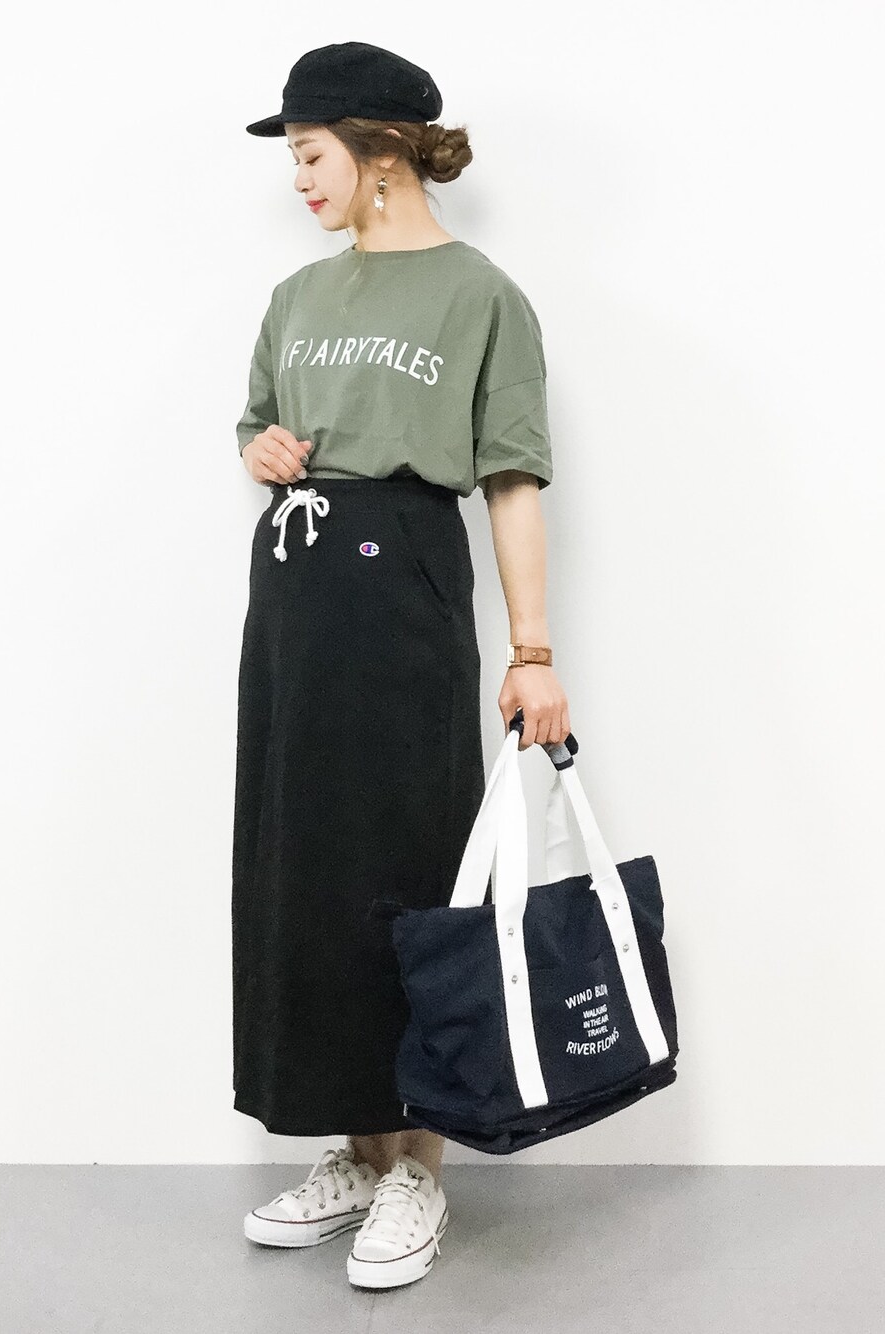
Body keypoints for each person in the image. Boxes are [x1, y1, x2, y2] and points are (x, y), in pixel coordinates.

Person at [232, 42, 571, 1290]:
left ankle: (418, 1161)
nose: (299, 180)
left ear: (381, 152)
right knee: (307, 864)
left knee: (409, 862)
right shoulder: (297, 296)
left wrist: (531, 652)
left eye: (310, 154)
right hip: (296, 590)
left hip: (407, 582)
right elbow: (256, 423)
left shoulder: (481, 295)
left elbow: (511, 478)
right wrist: (263, 450)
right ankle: (355, 1146)